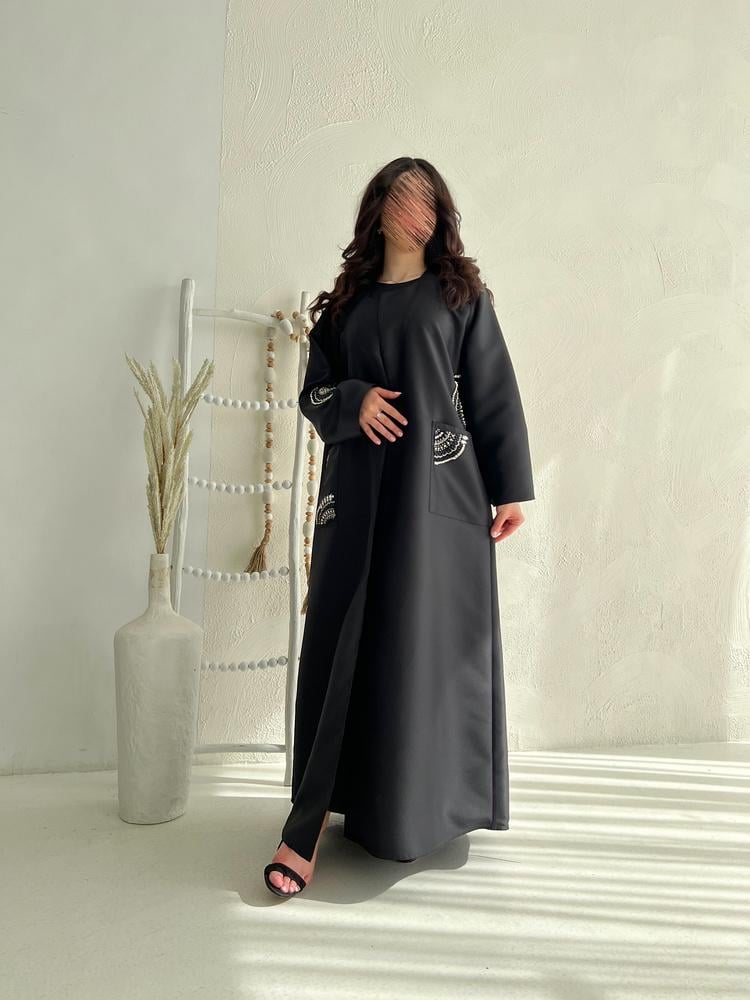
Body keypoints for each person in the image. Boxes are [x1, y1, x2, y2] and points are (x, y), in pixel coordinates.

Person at [263, 157, 535, 897]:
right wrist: (354, 400)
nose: (414, 213)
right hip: (355, 501)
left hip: (440, 504)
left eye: (426, 201)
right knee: (344, 644)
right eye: (401, 197)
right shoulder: (343, 307)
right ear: (378, 208)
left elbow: (493, 391)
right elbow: (315, 392)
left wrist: (511, 490)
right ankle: (309, 823)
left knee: (423, 648)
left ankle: (421, 811)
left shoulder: (461, 297)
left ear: (439, 213)